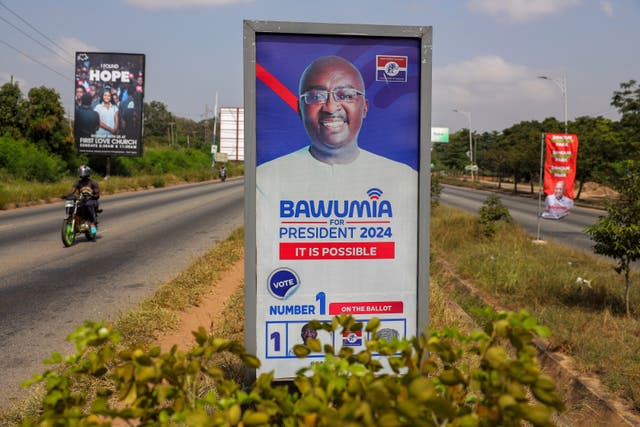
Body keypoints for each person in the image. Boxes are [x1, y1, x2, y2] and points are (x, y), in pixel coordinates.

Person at [67, 165, 100, 234]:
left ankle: (93, 222)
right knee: (72, 205)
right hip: (82, 200)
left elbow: (97, 193)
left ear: (88, 173)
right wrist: (68, 195)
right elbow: (72, 190)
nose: (82, 174)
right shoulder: (78, 182)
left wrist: (94, 195)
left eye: (83, 172)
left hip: (92, 199)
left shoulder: (93, 182)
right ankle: (73, 220)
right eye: (81, 172)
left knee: (88, 204)